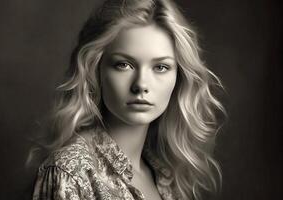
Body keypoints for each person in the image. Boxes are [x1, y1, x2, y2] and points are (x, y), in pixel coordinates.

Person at [31, 0, 225, 199]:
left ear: (179, 77)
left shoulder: (165, 176)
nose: (141, 84)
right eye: (123, 64)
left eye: (160, 67)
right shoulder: (70, 171)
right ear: (95, 70)